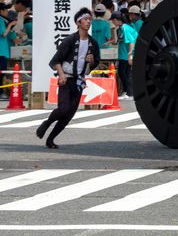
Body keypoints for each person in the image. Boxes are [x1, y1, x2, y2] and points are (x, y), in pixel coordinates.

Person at [36, 8, 100, 149]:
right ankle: (47, 123)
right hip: (67, 79)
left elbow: (95, 63)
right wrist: (62, 74)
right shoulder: (70, 40)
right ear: (78, 22)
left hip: (79, 81)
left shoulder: (93, 43)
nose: (88, 22)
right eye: (85, 19)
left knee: (69, 115)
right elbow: (55, 61)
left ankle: (50, 139)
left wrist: (92, 61)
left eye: (90, 19)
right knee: (63, 109)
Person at [112, 9, 138, 98]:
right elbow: (116, 41)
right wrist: (114, 31)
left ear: (115, 20)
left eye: (112, 20)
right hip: (123, 54)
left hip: (126, 55)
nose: (112, 22)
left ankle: (129, 92)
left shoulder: (125, 28)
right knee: (125, 73)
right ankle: (127, 92)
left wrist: (130, 55)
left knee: (122, 73)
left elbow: (131, 42)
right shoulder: (121, 28)